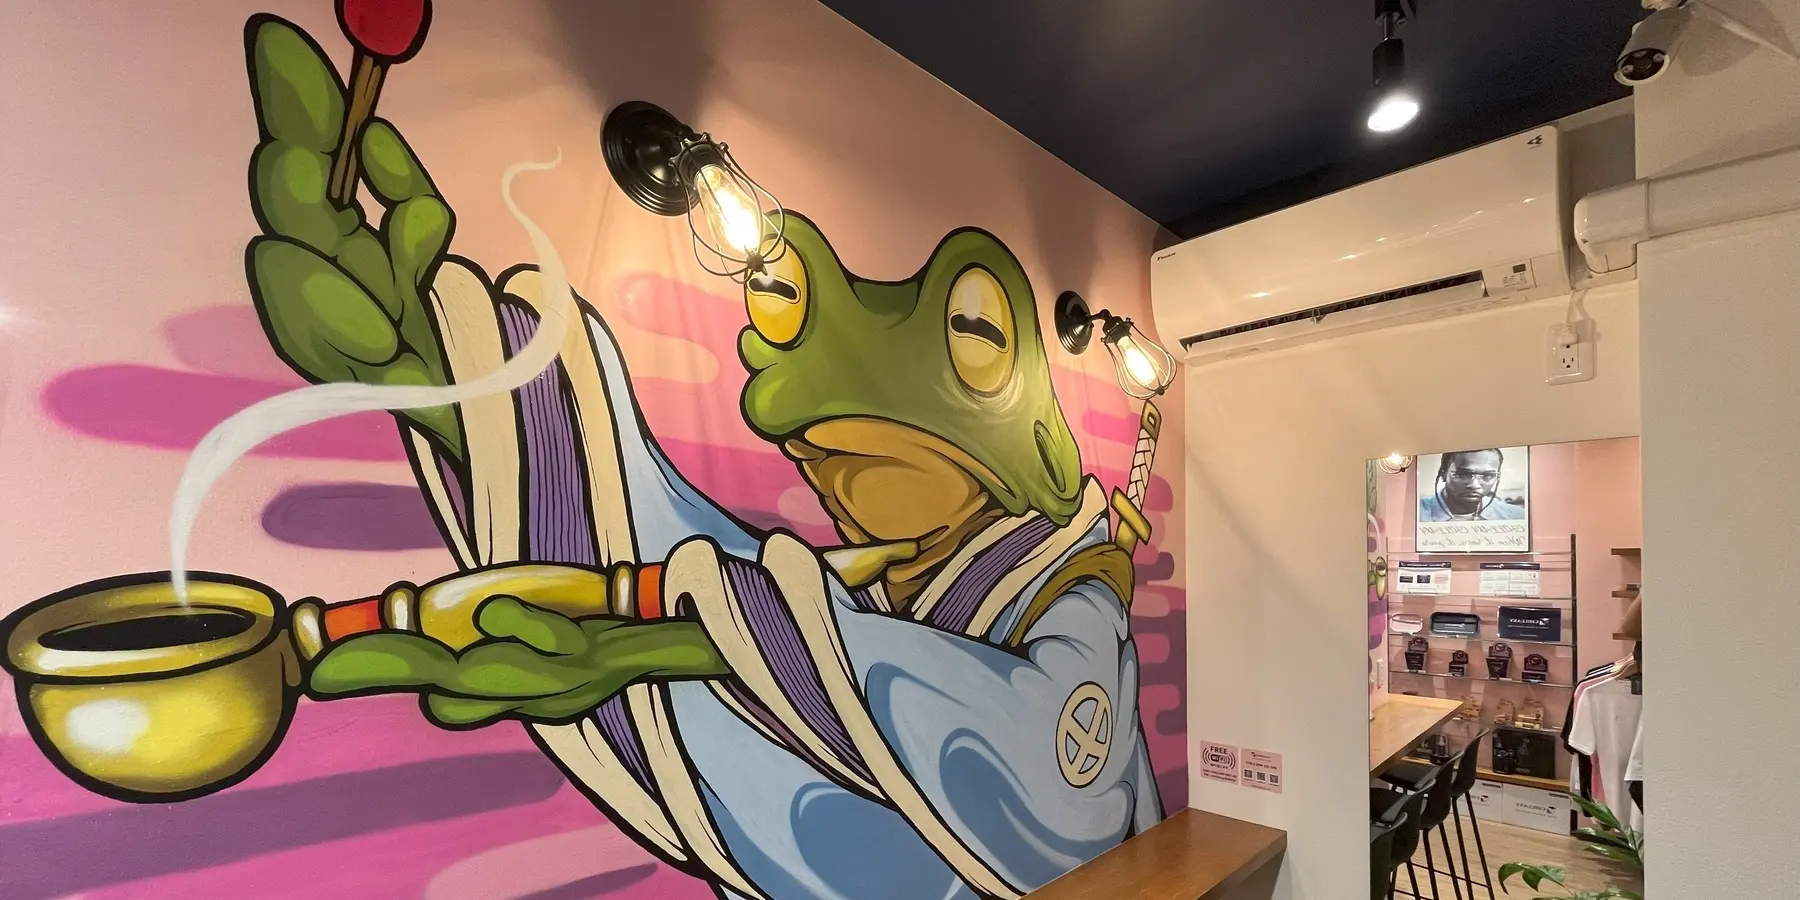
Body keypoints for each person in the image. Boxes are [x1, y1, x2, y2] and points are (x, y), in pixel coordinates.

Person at [1419, 449, 1525, 521]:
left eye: (1487, 475)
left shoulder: (1516, 516)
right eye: (1463, 474)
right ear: (1443, 475)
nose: (1474, 485)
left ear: (1497, 478)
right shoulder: (1417, 514)